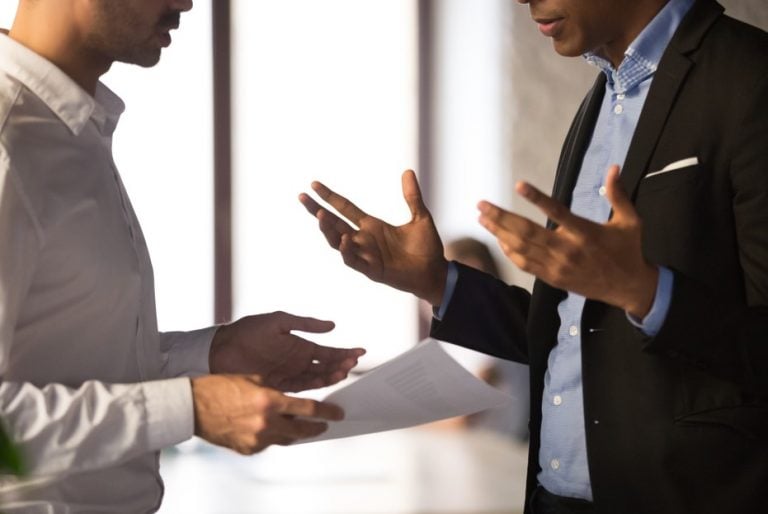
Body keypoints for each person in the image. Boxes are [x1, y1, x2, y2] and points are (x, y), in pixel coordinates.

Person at [300, 0, 768, 512]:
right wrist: (436, 282)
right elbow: (569, 334)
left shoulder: (750, 78)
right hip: (551, 496)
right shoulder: (602, 97)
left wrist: (645, 292)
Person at [0, 0, 365, 512]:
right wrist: (186, 409)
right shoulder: (10, 138)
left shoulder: (70, 128)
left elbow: (62, 363)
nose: (186, 3)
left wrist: (207, 357)